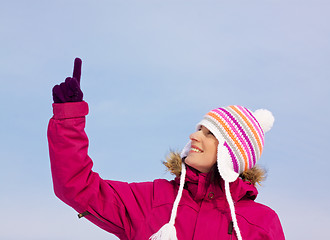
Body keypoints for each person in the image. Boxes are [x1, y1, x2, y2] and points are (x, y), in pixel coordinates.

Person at [48, 58, 285, 240]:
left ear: (231, 153)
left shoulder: (262, 222)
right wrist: (69, 117)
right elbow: (78, 187)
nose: (194, 135)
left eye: (208, 133)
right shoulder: (152, 200)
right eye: (198, 129)